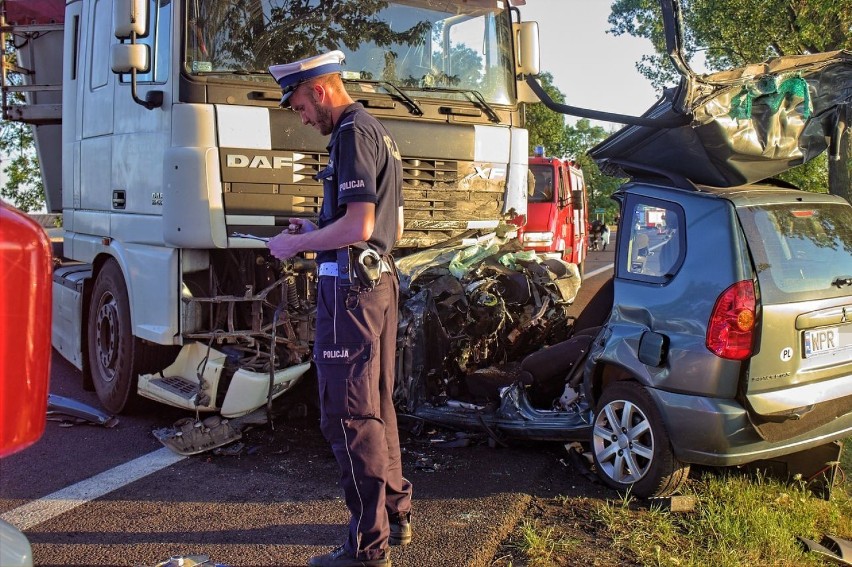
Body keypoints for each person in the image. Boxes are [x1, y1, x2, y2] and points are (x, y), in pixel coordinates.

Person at [267, 50, 412, 567]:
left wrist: (296, 247)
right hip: (375, 286)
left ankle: (366, 549)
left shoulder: (350, 131)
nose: (302, 118)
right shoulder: (375, 129)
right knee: (377, 405)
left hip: (350, 293)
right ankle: (394, 517)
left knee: (347, 416)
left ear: (321, 90)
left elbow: (359, 227)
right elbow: (356, 226)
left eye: (301, 105)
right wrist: (313, 233)